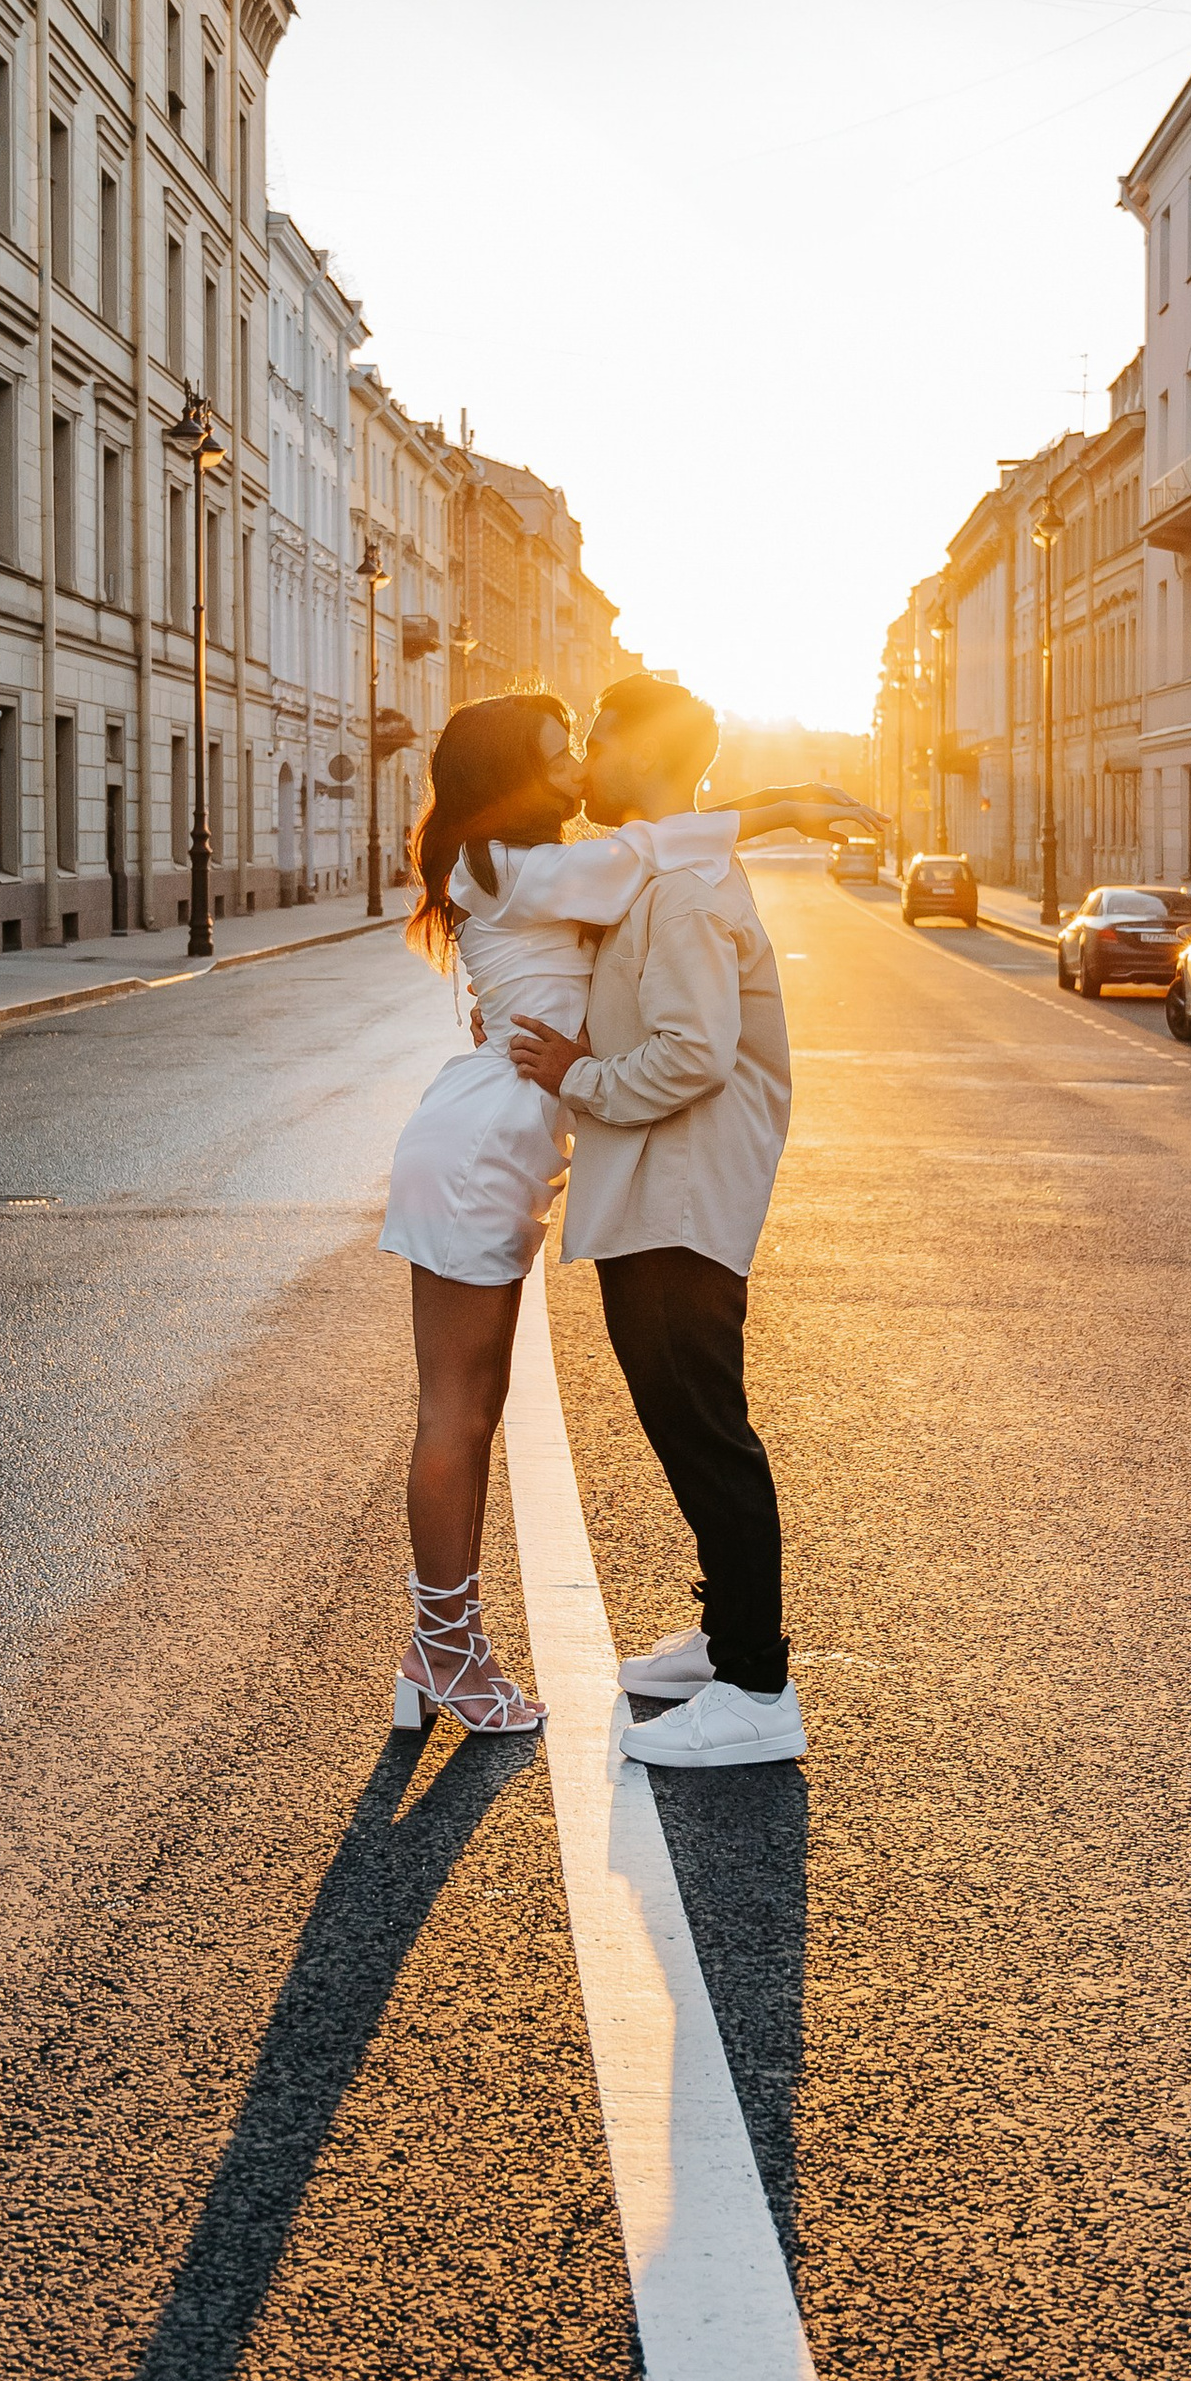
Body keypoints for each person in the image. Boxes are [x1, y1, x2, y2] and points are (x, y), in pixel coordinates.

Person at [509, 678, 872, 1772]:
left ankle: (757, 1686)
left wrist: (576, 1074)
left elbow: (692, 1054)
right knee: (685, 1425)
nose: (585, 757)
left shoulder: (680, 892)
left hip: (679, 1192)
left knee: (706, 1431)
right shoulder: (666, 867)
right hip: (662, 1186)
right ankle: (726, 1640)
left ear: (646, 752)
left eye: (598, 736)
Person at [377, 695, 744, 1738]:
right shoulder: (507, 864)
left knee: (473, 1408)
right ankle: (445, 1651)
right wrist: (779, 808)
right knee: (455, 1412)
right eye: (555, 760)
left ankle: (441, 1650)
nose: (578, 773)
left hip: (500, 1146)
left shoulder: (519, 865)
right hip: (478, 1151)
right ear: (509, 780)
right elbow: (651, 851)